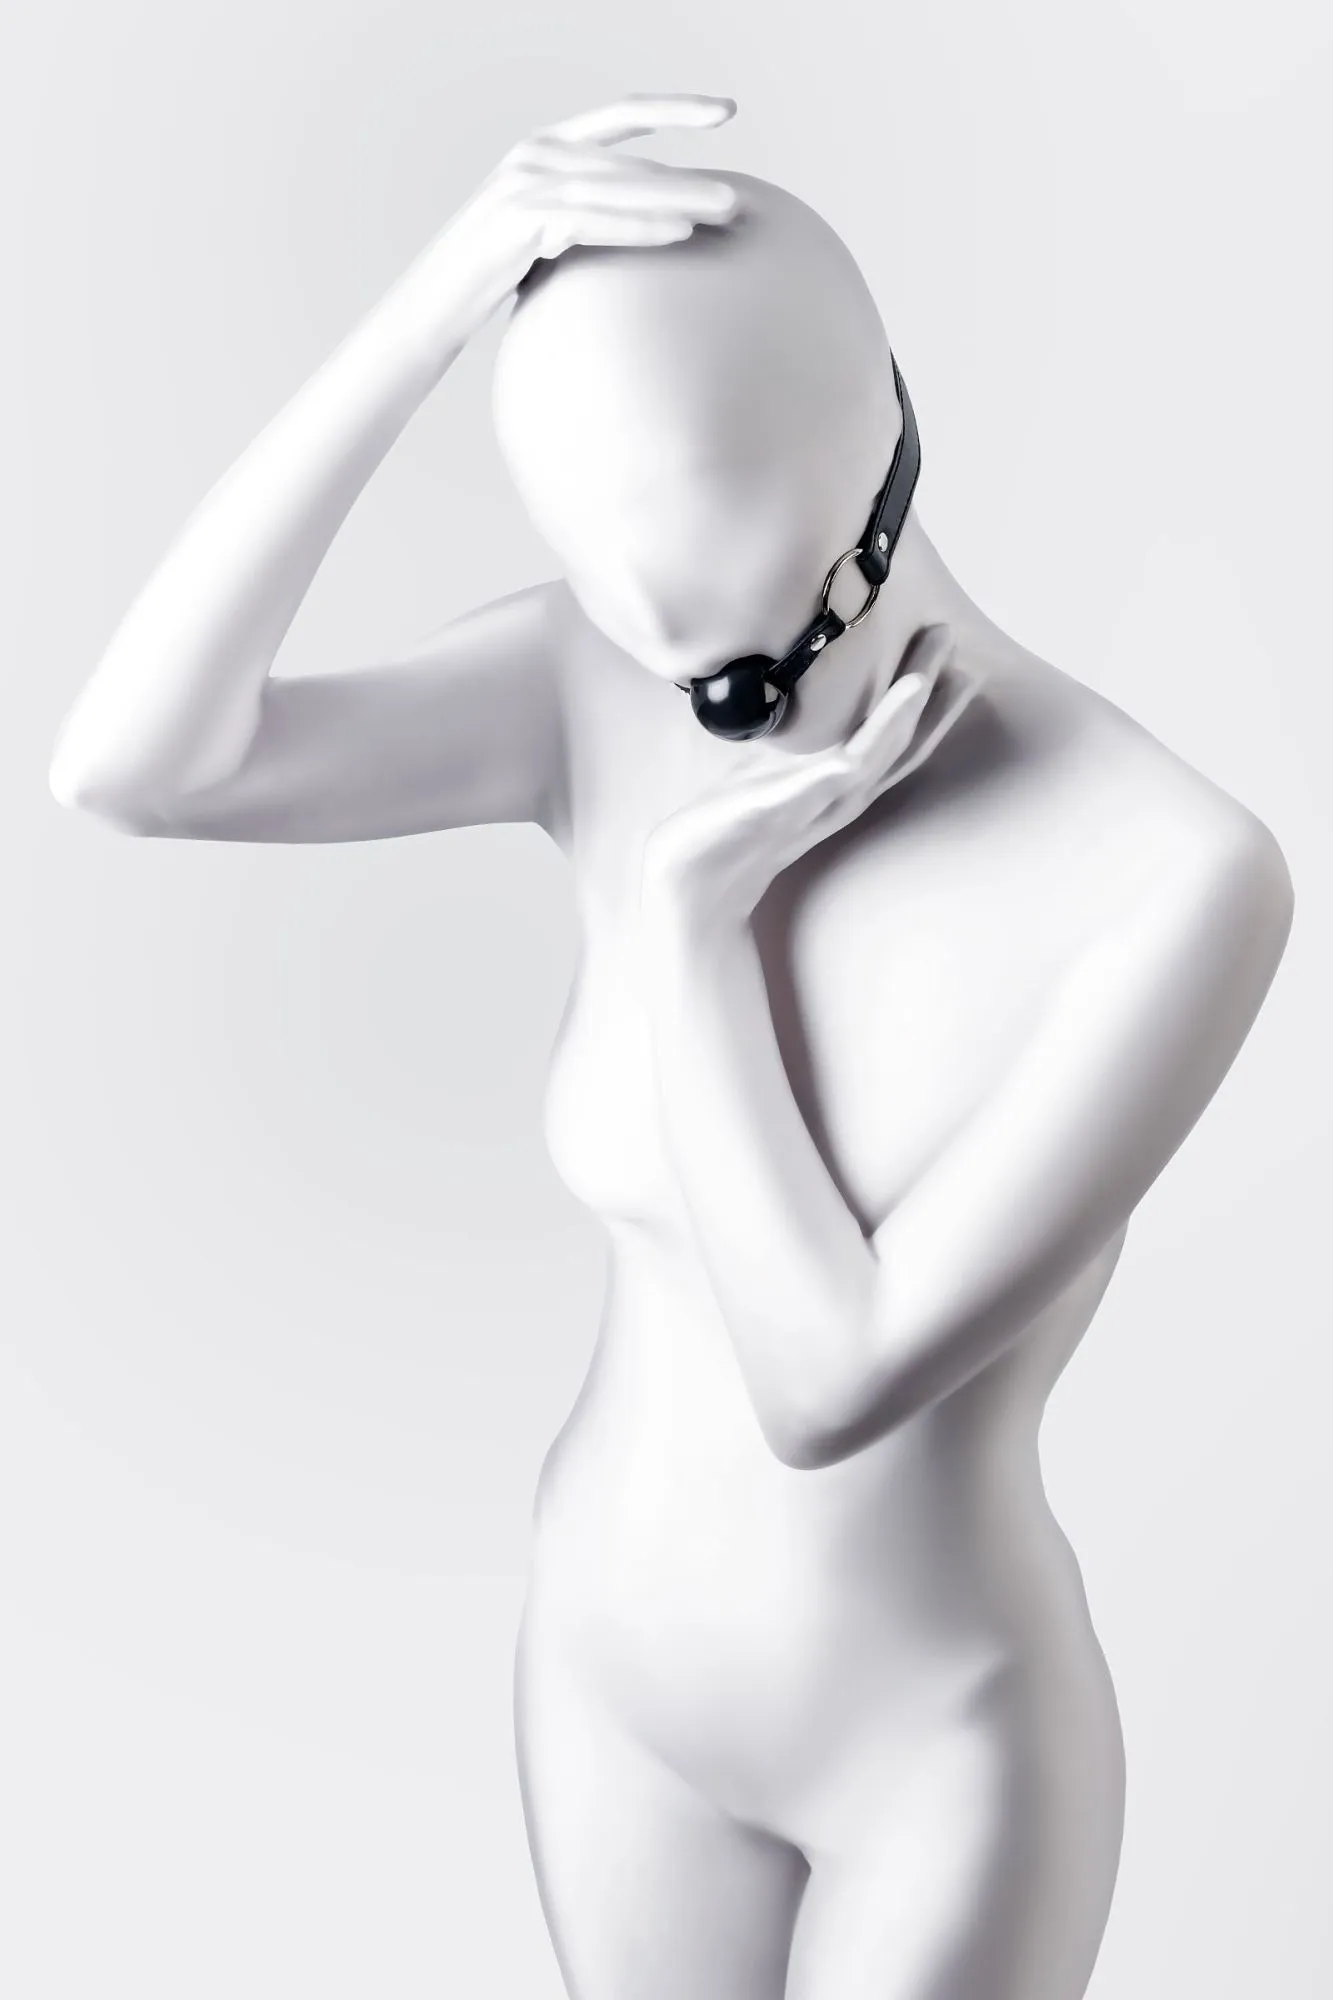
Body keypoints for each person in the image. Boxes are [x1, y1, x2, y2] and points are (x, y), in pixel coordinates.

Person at [48, 91, 1294, 2000]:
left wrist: (696, 947)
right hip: (609, 1676)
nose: (654, 634)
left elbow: (828, 1379)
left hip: (934, 1750)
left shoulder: (1173, 875)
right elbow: (138, 768)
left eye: (740, 661)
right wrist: (430, 308)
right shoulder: (593, 678)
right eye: (589, 552)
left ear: (869, 454)